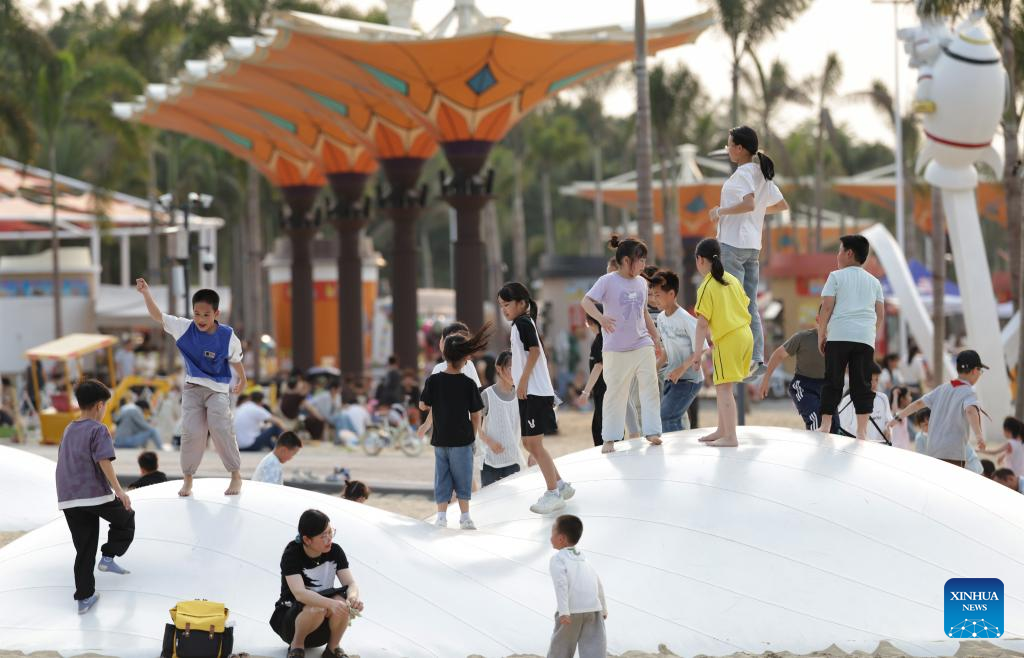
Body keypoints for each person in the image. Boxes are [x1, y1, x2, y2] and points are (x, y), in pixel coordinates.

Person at [136, 279, 245, 497]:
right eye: (197, 314)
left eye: (206, 315)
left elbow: (236, 360)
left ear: (216, 314)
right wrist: (146, 293)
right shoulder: (185, 328)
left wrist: (243, 379)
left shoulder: (227, 336)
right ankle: (188, 479)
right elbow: (158, 316)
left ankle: (236, 475)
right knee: (191, 433)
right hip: (192, 388)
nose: (201, 319)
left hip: (217, 390)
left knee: (220, 427)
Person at [709, 125, 789, 382]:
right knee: (749, 304)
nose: (728, 149)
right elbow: (781, 205)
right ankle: (756, 359)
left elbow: (749, 203)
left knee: (733, 302)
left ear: (740, 148)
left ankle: (740, 358)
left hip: (732, 244)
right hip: (752, 246)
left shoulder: (743, 173)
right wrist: (758, 213)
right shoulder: (761, 173)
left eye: (729, 145)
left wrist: (720, 212)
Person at [55, 379, 134, 615]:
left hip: (68, 497)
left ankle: (84, 598)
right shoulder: (99, 429)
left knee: (85, 549)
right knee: (126, 516)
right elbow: (103, 460)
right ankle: (108, 557)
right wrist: (119, 491)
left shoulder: (69, 429)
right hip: (93, 494)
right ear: (100, 405)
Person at [580, 236, 663, 455]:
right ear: (626, 260)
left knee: (650, 386)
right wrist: (601, 318)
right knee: (615, 393)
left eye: (644, 260)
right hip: (615, 349)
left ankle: (652, 431)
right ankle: (610, 438)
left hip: (642, 343)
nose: (644, 265)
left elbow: (644, 313)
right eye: (640, 260)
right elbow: (586, 301)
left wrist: (655, 337)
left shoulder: (642, 283)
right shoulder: (607, 281)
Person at [500, 282, 575, 514]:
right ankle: (560, 485)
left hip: (534, 392)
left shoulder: (523, 322)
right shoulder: (521, 324)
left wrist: (522, 380)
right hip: (530, 391)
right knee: (529, 443)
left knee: (533, 444)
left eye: (507, 304)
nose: (504, 309)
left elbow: (534, 352)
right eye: (501, 305)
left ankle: (553, 492)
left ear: (521, 303)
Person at [673, 238, 753, 447]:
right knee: (722, 385)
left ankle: (731, 437)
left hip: (729, 339)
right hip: (745, 335)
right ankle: (722, 430)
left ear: (700, 259)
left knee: (724, 389)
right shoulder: (732, 279)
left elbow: (701, 325)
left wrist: (697, 354)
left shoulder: (707, 285)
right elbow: (745, 305)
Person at [420, 325, 490, 529]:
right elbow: (476, 414)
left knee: (442, 477)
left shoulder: (434, 380)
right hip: (462, 440)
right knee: (463, 478)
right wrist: (474, 435)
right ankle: (465, 516)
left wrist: (427, 414)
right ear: (464, 359)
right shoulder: (468, 383)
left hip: (440, 439)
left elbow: (423, 404)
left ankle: (441, 517)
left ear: (445, 353)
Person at [817, 235, 885, 441]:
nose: (837, 255)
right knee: (862, 383)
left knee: (833, 380)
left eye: (839, 251)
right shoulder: (874, 282)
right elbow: (880, 314)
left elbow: (826, 308)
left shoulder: (835, 277)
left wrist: (822, 334)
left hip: (839, 335)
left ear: (849, 253)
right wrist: (871, 334)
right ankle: (862, 432)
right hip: (864, 338)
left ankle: (825, 426)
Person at [271, 509, 364, 658]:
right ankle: (296, 647)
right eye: (323, 536)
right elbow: (300, 594)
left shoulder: (335, 551)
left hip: (323, 628)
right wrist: (331, 604)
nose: (329, 539)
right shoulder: (292, 554)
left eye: (330, 532)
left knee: (342, 604)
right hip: (292, 623)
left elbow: (351, 583)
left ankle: (333, 648)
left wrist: (352, 598)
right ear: (307, 540)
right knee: (319, 606)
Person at [888, 349, 988, 468]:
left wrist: (897, 418)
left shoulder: (943, 388)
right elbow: (971, 410)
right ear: (975, 370)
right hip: (954, 451)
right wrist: (979, 436)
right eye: (980, 371)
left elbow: (918, 403)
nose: (980, 374)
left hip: (933, 449)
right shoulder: (969, 392)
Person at [649, 270, 705, 432]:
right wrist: (654, 369)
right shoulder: (661, 318)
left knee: (667, 416)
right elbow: (667, 350)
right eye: (652, 295)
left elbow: (700, 349)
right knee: (670, 418)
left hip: (689, 380)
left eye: (658, 295)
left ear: (672, 294)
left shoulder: (686, 319)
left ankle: (677, 447)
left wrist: (681, 369)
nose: (654, 299)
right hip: (671, 378)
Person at [546, 514, 607, 658]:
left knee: (561, 648)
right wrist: (603, 608)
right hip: (593, 610)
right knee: (594, 649)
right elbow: (597, 582)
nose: (550, 537)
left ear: (561, 538)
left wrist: (564, 611)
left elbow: (561, 584)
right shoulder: (583, 558)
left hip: (571, 611)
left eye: (552, 533)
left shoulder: (558, 559)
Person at [758, 308, 827, 430]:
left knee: (834, 424)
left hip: (826, 386)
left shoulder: (837, 342)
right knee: (815, 418)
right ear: (818, 319)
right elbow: (778, 355)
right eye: (827, 318)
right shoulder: (803, 338)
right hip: (803, 386)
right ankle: (815, 441)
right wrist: (766, 379)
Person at [479, 351, 524, 486]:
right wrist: (489, 441)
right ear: (499, 368)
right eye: (511, 368)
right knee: (489, 498)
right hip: (490, 462)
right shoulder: (487, 395)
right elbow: (474, 425)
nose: (515, 373)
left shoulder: (521, 395)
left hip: (513, 460)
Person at [836, 363, 893, 444]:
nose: (874, 384)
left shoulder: (883, 398)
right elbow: (840, 427)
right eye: (870, 380)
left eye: (876, 379)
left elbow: (888, 421)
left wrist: (888, 430)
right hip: (856, 447)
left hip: (879, 446)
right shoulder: (848, 400)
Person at [578, 309, 607, 447]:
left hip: (604, 391)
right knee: (598, 427)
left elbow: (599, 366)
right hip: (603, 392)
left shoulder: (600, 340)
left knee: (602, 430)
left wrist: (585, 392)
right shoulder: (604, 338)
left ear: (591, 322)